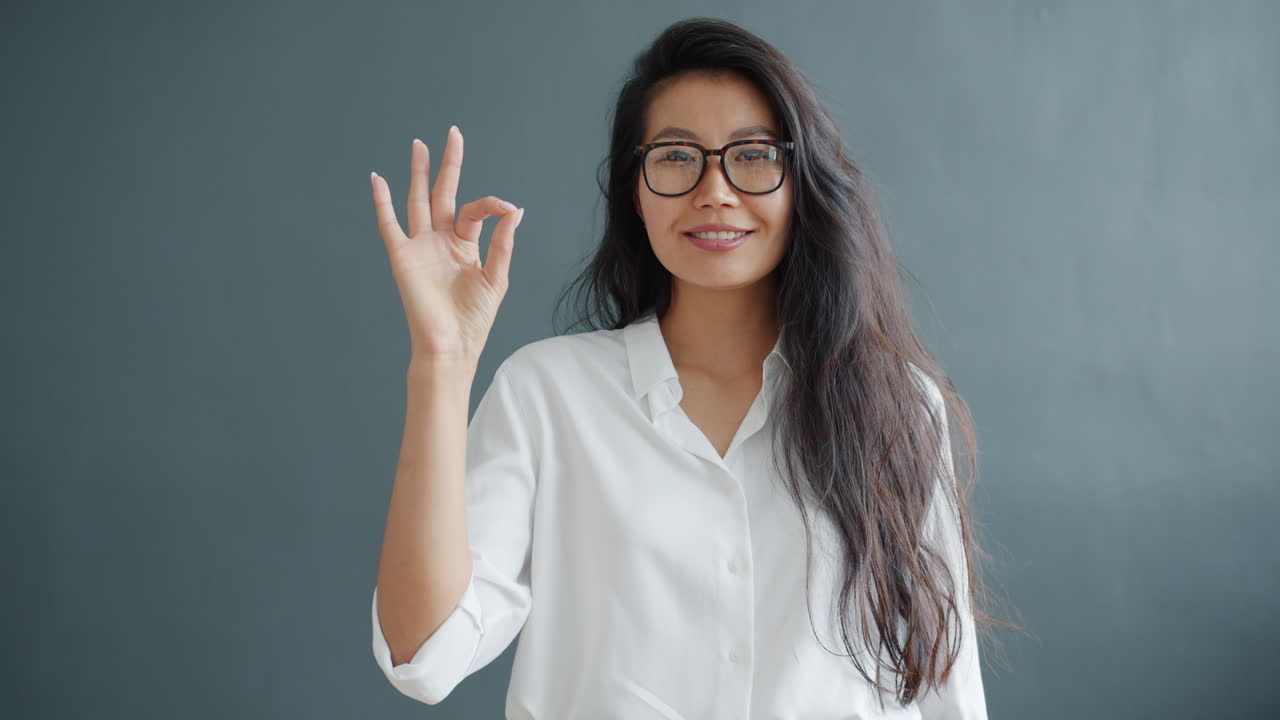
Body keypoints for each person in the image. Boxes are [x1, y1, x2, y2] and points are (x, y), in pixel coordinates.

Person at [368, 16, 1010, 719]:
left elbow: (945, 688)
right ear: (634, 190)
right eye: (675, 157)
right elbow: (423, 657)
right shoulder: (547, 394)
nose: (715, 191)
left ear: (803, 182)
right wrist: (441, 361)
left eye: (754, 154)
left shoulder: (897, 404)